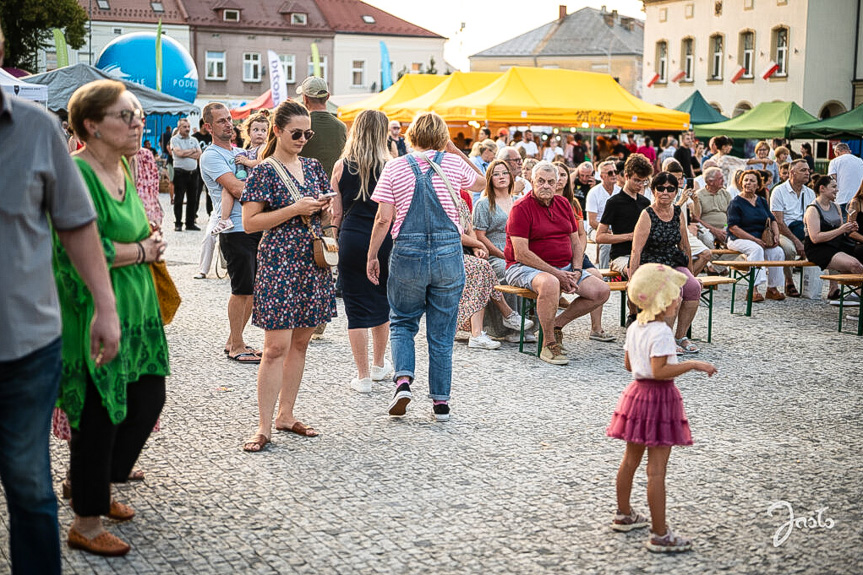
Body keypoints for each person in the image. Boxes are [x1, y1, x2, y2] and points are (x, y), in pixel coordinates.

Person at [0, 27, 120, 570]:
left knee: (28, 484)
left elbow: (76, 225)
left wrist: (105, 305)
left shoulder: (34, 128)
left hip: (24, 344)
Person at [60, 79, 169, 556]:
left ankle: (96, 483)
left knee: (146, 401)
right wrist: (141, 249)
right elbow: (71, 251)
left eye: (139, 113)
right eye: (125, 115)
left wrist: (146, 246)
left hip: (139, 308)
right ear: (92, 125)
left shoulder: (125, 167)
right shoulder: (75, 175)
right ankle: (85, 520)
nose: (137, 121)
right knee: (99, 414)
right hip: (93, 310)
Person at [367, 112, 485, 421]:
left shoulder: (394, 166)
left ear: (411, 136)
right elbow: (483, 181)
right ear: (443, 138)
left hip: (408, 253)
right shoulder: (456, 164)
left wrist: (372, 255)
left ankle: (404, 381)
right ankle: (441, 403)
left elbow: (383, 218)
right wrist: (455, 150)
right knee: (442, 332)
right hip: (448, 255)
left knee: (403, 321)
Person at [240, 101, 337, 452]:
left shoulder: (312, 167)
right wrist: (294, 209)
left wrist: (326, 215)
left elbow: (326, 215)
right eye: (296, 133)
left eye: (307, 133)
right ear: (277, 131)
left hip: (313, 261)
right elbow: (251, 223)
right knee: (274, 347)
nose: (302, 139)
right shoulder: (265, 170)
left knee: (300, 343)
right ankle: (263, 425)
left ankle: (286, 414)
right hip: (279, 261)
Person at [606, 263, 716, 553]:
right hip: (657, 399)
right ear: (663, 300)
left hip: (635, 396)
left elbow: (630, 365)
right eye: (675, 295)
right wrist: (692, 364)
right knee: (656, 472)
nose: (679, 299)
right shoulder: (663, 333)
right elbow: (659, 371)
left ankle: (624, 514)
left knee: (629, 461)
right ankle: (659, 534)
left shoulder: (635, 327)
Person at [503, 161, 611, 365]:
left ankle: (556, 325)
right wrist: (557, 274)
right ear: (532, 181)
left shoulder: (563, 204)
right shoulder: (521, 208)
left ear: (557, 183)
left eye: (550, 181)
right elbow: (521, 253)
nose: (546, 185)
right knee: (550, 282)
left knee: (601, 290)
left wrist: (577, 270)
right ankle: (548, 344)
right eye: (541, 181)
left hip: (564, 267)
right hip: (523, 267)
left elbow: (576, 243)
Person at [330, 110, 394, 393]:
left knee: (355, 307)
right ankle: (380, 365)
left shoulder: (341, 166)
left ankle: (363, 376)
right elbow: (393, 214)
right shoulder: (392, 166)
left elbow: (336, 213)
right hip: (384, 240)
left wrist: (338, 238)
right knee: (382, 301)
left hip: (352, 238)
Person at [200, 102, 263, 363]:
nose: (229, 124)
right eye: (222, 121)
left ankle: (234, 339)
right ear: (208, 127)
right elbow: (237, 189)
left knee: (251, 288)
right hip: (234, 228)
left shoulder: (241, 151)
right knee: (241, 289)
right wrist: (264, 189)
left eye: (229, 119)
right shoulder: (211, 155)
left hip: (253, 225)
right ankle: (237, 345)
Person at [630, 171, 702, 354]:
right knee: (674, 293)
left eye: (670, 188)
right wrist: (633, 278)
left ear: (676, 191)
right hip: (652, 265)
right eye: (660, 188)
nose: (665, 192)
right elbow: (636, 249)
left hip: (673, 261)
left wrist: (691, 272)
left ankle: (681, 336)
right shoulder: (647, 214)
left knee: (693, 286)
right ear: (653, 191)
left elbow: (685, 245)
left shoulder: (677, 212)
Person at [474, 159, 538, 344]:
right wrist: (503, 254)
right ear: (490, 179)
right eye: (496, 174)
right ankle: (511, 324)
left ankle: (533, 326)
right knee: (506, 271)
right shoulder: (484, 204)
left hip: (521, 251)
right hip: (496, 253)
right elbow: (480, 236)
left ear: (511, 176)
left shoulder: (520, 201)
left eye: (504, 173)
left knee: (539, 273)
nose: (501, 177)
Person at [554, 161, 615, 342]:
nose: (559, 179)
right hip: (556, 255)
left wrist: (578, 257)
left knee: (598, 278)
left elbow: (581, 234)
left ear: (568, 179)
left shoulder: (573, 203)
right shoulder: (542, 201)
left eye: (563, 175)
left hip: (576, 252)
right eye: (556, 175)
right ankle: (553, 323)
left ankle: (596, 328)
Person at [596, 153, 653, 326]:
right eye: (636, 180)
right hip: (621, 256)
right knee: (637, 271)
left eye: (643, 181)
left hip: (643, 253)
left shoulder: (645, 202)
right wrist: (629, 236)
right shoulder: (614, 202)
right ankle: (634, 313)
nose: (640, 185)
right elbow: (600, 236)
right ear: (626, 176)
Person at [726, 170, 785, 302]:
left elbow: (772, 219)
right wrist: (754, 239)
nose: (748, 183)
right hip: (738, 238)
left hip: (760, 238)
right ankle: (753, 289)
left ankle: (772, 289)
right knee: (756, 249)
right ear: (741, 183)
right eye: (745, 180)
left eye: (752, 181)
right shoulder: (736, 202)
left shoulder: (762, 201)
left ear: (758, 185)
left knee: (778, 252)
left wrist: (776, 235)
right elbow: (733, 227)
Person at [210, 112, 270, 237]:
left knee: (229, 189)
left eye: (263, 130)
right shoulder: (248, 149)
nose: (260, 133)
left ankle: (224, 219)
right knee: (228, 188)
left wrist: (246, 161)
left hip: (258, 182)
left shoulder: (263, 147)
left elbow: (261, 163)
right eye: (256, 130)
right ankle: (225, 219)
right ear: (248, 132)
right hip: (249, 179)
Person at [771, 159, 815, 297]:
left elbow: (813, 219)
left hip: (805, 230)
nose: (807, 173)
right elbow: (778, 222)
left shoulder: (810, 193)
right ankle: (789, 282)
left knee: (829, 245)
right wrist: (796, 241)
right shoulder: (779, 191)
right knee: (789, 250)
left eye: (808, 170)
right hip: (784, 231)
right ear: (792, 173)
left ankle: (831, 287)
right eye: (803, 170)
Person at [803, 174, 863, 274]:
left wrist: (849, 228)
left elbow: (841, 230)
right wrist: (841, 230)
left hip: (836, 244)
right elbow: (815, 238)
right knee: (855, 265)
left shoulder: (836, 206)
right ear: (822, 188)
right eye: (834, 187)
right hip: (818, 249)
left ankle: (850, 289)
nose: (837, 190)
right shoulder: (813, 209)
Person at [585, 160, 621, 269]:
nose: (614, 175)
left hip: (615, 228)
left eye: (615, 171)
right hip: (595, 228)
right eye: (610, 173)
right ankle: (604, 274)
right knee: (606, 243)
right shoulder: (594, 193)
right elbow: (592, 221)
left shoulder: (620, 191)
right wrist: (608, 232)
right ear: (602, 176)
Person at [170, 117, 202, 231]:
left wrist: (186, 153)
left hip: (193, 173)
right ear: (179, 128)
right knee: (179, 198)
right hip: (180, 173)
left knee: (193, 199)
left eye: (188, 126)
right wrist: (192, 151)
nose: (187, 129)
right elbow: (179, 153)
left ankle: (190, 223)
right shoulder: (174, 139)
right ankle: (178, 223)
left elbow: (199, 154)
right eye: (184, 127)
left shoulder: (194, 140)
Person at [693, 167, 731, 249]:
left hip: (724, 226)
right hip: (706, 228)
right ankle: (713, 259)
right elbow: (696, 218)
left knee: (733, 238)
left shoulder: (726, 194)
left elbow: (731, 215)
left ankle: (721, 259)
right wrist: (714, 230)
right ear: (710, 182)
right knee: (707, 239)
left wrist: (725, 226)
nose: (723, 180)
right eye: (720, 178)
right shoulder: (699, 195)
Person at [828, 143, 863, 217]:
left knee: (844, 226)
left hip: (842, 199)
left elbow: (832, 181)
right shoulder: (860, 161)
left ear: (837, 152)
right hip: (859, 201)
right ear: (849, 151)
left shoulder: (834, 162)